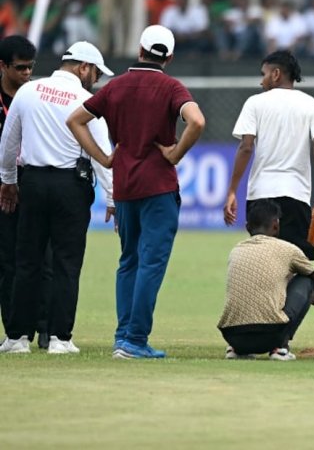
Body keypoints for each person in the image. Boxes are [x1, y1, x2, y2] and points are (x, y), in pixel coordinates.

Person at [67, 25, 206, 359]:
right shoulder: (171, 87)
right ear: (168, 57)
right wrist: (175, 153)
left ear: (140, 49)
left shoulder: (116, 87)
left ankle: (122, 336)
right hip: (158, 186)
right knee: (152, 262)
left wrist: (103, 157)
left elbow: (75, 120)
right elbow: (197, 121)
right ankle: (135, 340)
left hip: (126, 186)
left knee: (128, 261)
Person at [0, 41, 115, 355]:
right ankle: (59, 338)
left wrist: (8, 181)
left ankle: (17, 338)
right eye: (95, 73)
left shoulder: (28, 92)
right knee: (66, 263)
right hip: (70, 186)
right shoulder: (86, 100)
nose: (96, 80)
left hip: (33, 183)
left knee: (27, 262)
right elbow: (101, 153)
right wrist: (113, 199)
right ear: (83, 68)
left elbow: (9, 142)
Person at [223, 50, 314, 262]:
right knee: (298, 265)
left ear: (276, 74)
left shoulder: (254, 103)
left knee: (260, 262)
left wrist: (232, 191)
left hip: (260, 195)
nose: (261, 81)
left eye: (264, 74)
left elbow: (246, 147)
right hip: (296, 195)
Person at [218, 200, 314, 361]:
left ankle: (236, 350)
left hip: (232, 336)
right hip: (271, 335)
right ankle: (280, 348)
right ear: (276, 226)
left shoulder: (236, 250)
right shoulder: (288, 249)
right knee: (306, 279)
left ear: (248, 227)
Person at [0, 35, 35, 340]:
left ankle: (46, 328)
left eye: (30, 68)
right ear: (3, 66)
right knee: (7, 259)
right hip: (2, 186)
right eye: (21, 68)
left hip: (32, 182)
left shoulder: (35, 98)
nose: (26, 74)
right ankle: (14, 331)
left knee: (41, 257)